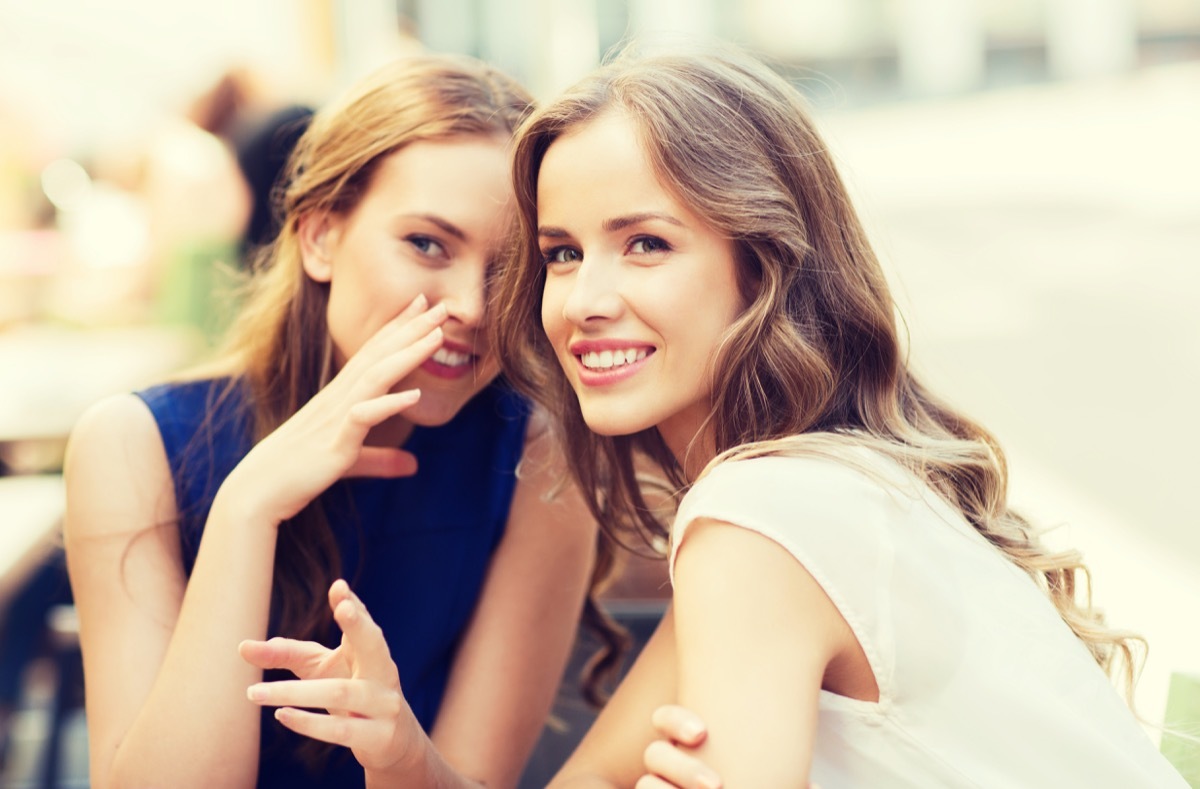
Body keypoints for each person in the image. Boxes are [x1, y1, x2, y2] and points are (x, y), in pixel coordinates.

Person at [484, 46, 1185, 787]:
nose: (584, 299)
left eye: (646, 243)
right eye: (561, 253)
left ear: (766, 262)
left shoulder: (760, 520)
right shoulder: (824, 491)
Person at [63, 53, 597, 789]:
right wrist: (247, 508)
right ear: (319, 236)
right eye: (427, 244)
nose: (473, 307)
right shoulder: (133, 447)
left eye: (510, 270)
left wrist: (402, 753)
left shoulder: (540, 461)